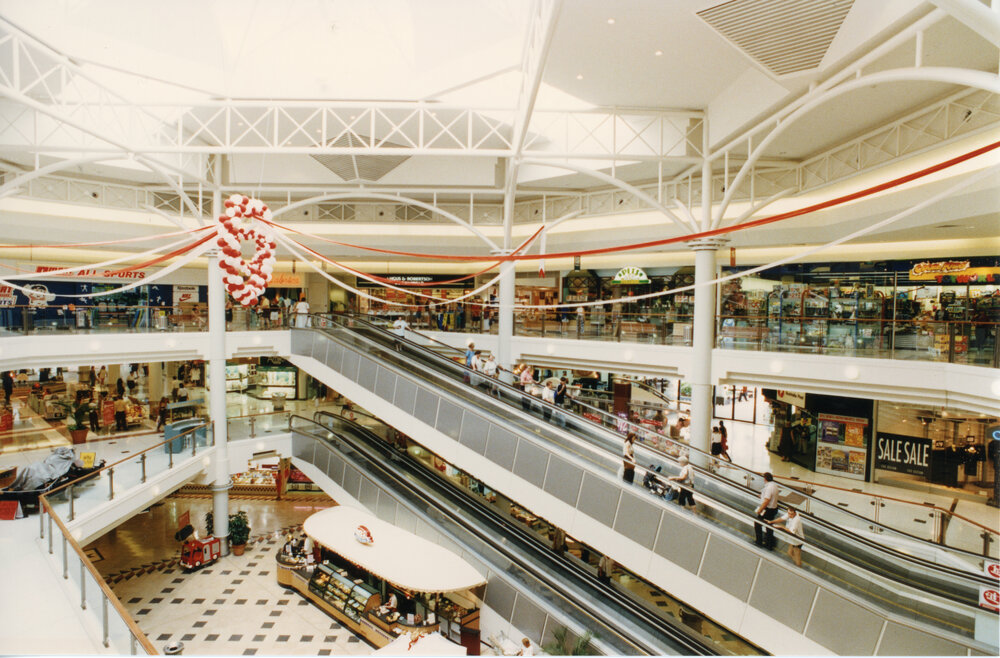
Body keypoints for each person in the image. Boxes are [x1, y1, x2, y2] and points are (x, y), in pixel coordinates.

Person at [754, 472, 780, 549]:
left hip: (768, 510)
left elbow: (766, 501)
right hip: (774, 508)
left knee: (757, 523)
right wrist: (762, 496)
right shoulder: (774, 485)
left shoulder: (769, 487)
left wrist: (760, 510)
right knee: (769, 525)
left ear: (765, 478)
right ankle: (769, 544)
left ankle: (759, 541)